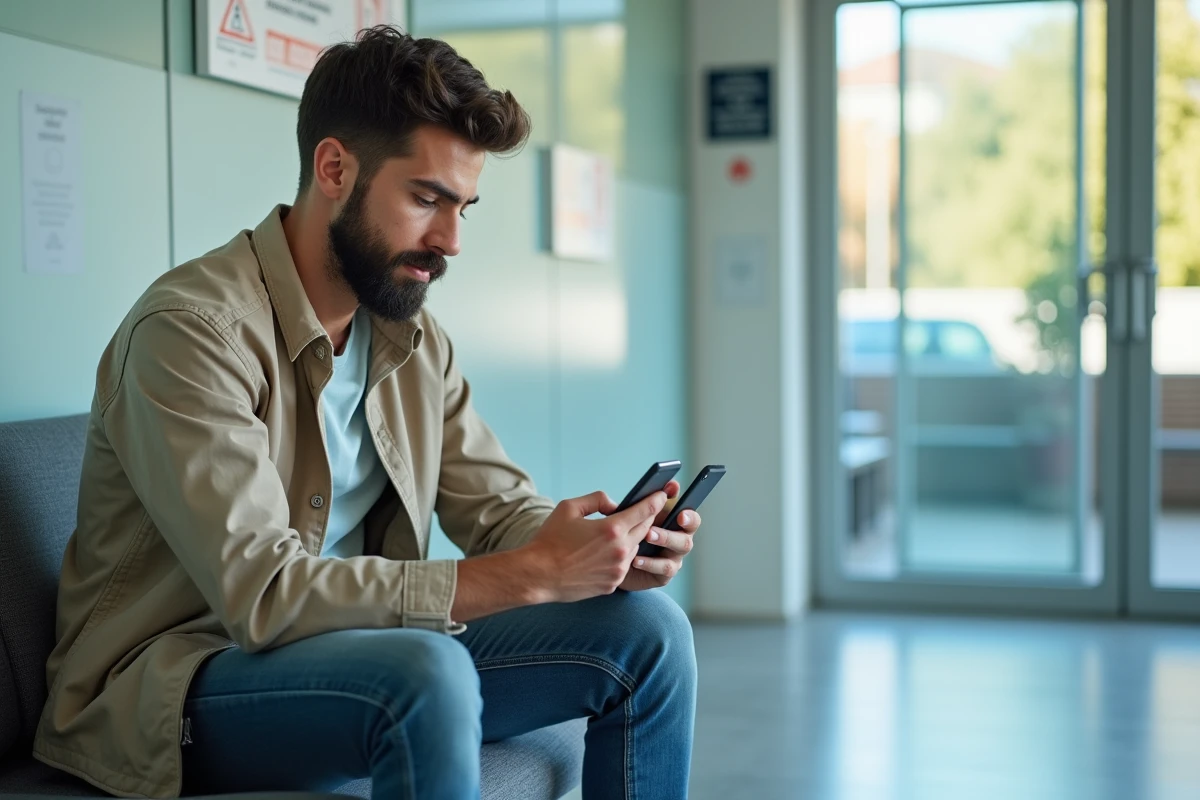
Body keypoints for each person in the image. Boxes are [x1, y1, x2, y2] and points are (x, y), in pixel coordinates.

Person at [32, 25, 698, 800]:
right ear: (335, 168)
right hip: (180, 683)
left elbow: (499, 510)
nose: (449, 240)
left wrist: (595, 550)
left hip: (364, 657)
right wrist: (527, 575)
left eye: (463, 208)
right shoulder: (190, 332)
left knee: (649, 635)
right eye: (426, 199)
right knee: (426, 667)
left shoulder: (412, 339)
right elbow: (266, 597)